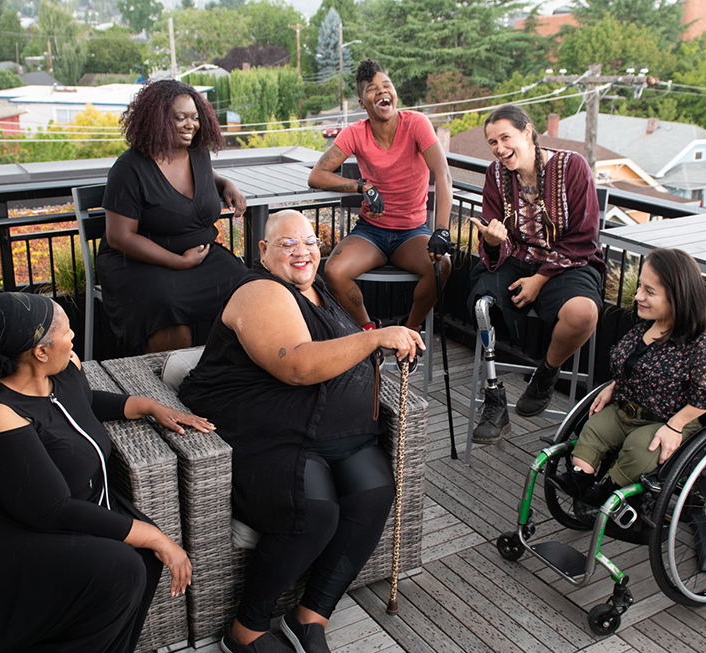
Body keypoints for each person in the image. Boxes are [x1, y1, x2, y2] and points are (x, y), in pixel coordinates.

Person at [178, 210, 423, 653]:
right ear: (263, 251)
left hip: (338, 431)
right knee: (313, 512)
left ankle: (309, 616)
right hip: (270, 430)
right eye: (287, 243)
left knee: (374, 492)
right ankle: (245, 631)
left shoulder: (320, 291)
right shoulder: (260, 291)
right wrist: (376, 338)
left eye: (310, 241)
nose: (302, 250)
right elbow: (296, 366)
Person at [0, 292, 212, 653]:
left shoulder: (63, 368)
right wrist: (154, 535)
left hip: (55, 512)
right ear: (40, 352)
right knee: (125, 566)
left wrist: (147, 406)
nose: (74, 335)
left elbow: (82, 403)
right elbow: (50, 509)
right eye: (67, 329)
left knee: (142, 562)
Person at [547, 248, 706, 539]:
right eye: (640, 287)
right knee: (592, 429)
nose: (638, 296)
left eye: (649, 291)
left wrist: (675, 425)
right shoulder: (645, 328)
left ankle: (609, 495)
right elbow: (631, 366)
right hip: (627, 408)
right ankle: (582, 482)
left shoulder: (699, 346)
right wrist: (613, 385)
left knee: (639, 447)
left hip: (669, 420)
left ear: (677, 297)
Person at [469, 104, 605, 443]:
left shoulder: (572, 166)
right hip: (516, 257)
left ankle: (546, 374)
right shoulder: (495, 174)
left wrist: (540, 279)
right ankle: (494, 397)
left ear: (527, 132)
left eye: (505, 137)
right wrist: (490, 239)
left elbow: (585, 235)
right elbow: (493, 233)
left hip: (567, 261)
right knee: (482, 306)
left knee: (583, 312)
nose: (499, 148)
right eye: (492, 142)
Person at [97, 78, 249, 353]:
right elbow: (120, 237)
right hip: (140, 262)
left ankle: (228, 372)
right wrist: (179, 263)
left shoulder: (198, 154)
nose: (191, 124)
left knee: (247, 288)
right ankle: (169, 385)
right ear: (158, 119)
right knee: (166, 307)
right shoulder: (129, 169)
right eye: (181, 117)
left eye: (195, 117)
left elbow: (206, 177)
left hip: (199, 256)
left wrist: (226, 185)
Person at [308, 58, 454, 333]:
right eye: (372, 89)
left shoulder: (417, 124)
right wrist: (363, 188)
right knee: (333, 271)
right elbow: (317, 176)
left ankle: (410, 333)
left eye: (387, 85)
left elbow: (443, 175)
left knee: (442, 266)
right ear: (363, 103)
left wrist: (442, 230)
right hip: (371, 232)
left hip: (412, 233)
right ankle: (368, 332)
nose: (382, 91)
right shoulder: (355, 132)